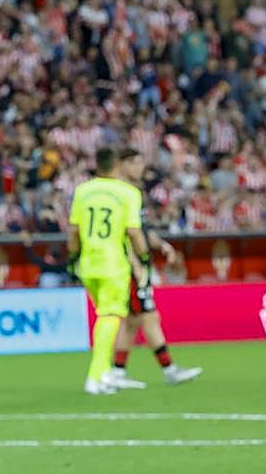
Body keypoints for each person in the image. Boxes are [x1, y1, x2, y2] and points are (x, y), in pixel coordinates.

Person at [107, 150, 203, 388]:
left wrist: (163, 245)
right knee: (149, 316)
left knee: (132, 321)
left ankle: (117, 372)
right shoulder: (123, 194)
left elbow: (141, 229)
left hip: (131, 263)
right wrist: (136, 263)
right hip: (130, 265)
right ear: (123, 164)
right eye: (136, 162)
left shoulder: (132, 193)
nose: (141, 167)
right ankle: (169, 369)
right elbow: (123, 233)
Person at [67, 147, 152, 395]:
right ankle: (95, 377)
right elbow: (134, 232)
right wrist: (145, 259)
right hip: (113, 264)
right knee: (110, 317)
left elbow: (73, 231)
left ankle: (105, 373)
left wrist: (73, 259)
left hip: (88, 264)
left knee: (106, 318)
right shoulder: (128, 192)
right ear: (117, 165)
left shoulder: (83, 191)